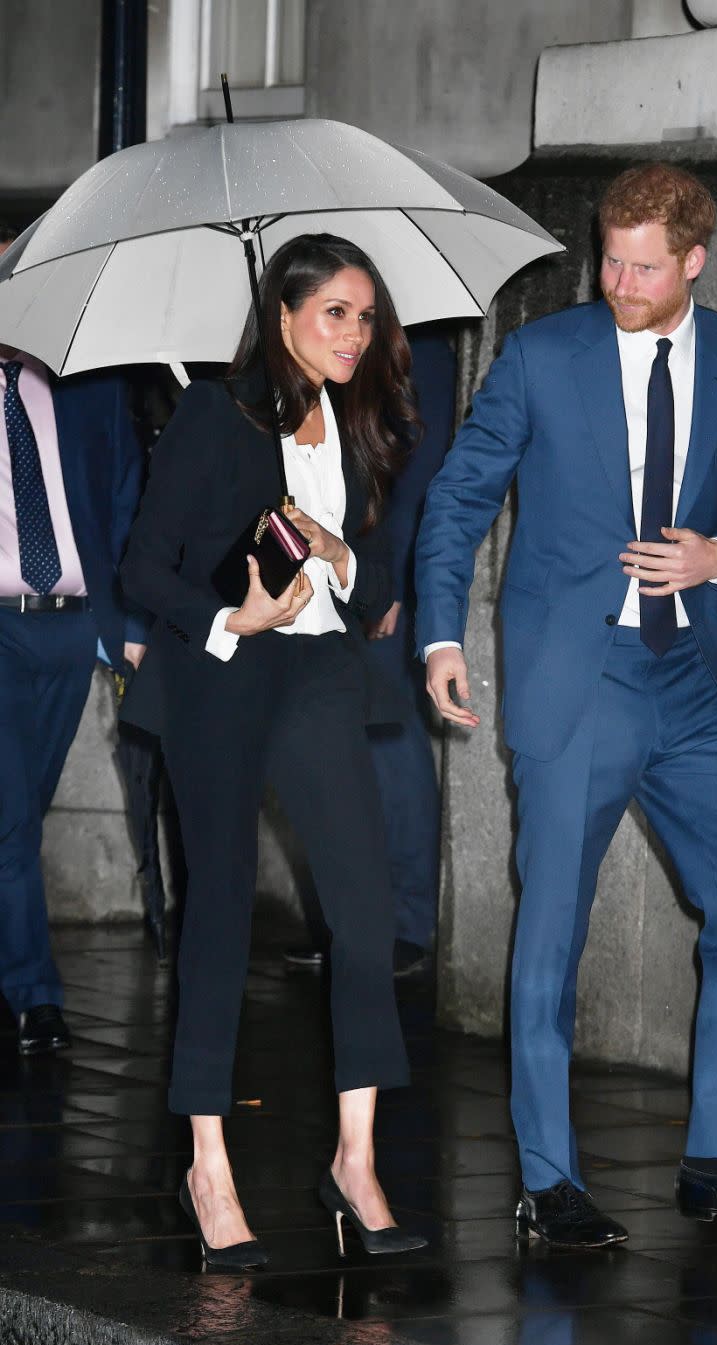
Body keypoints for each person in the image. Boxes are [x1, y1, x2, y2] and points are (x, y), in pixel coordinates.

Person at [415, 165, 717, 1247]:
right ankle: (548, 1182)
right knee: (552, 927)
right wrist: (441, 634)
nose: (617, 279)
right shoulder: (543, 355)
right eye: (608, 256)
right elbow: (460, 492)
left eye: (643, 265)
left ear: (694, 261)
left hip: (693, 677)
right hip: (578, 671)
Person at [120, 233, 427, 1268]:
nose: (354, 334)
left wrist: (344, 556)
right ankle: (206, 1159)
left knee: (364, 904)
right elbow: (142, 568)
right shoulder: (216, 413)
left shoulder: (362, 423)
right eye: (336, 312)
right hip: (222, 673)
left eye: (366, 316)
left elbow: (379, 588)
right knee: (221, 901)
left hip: (320, 673)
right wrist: (229, 619)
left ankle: (355, 1157)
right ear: (285, 312)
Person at [0, 224, 147, 1057]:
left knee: (24, 810)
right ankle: (37, 995)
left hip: (70, 629)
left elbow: (125, 505)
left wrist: (127, 623)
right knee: (11, 818)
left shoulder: (89, 392)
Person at [285, 327, 455, 979]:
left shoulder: (416, 345)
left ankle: (406, 925)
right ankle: (347, 922)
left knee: (388, 741)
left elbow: (423, 469)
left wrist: (392, 578)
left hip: (374, 572)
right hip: (308, 566)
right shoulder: (309, 327)